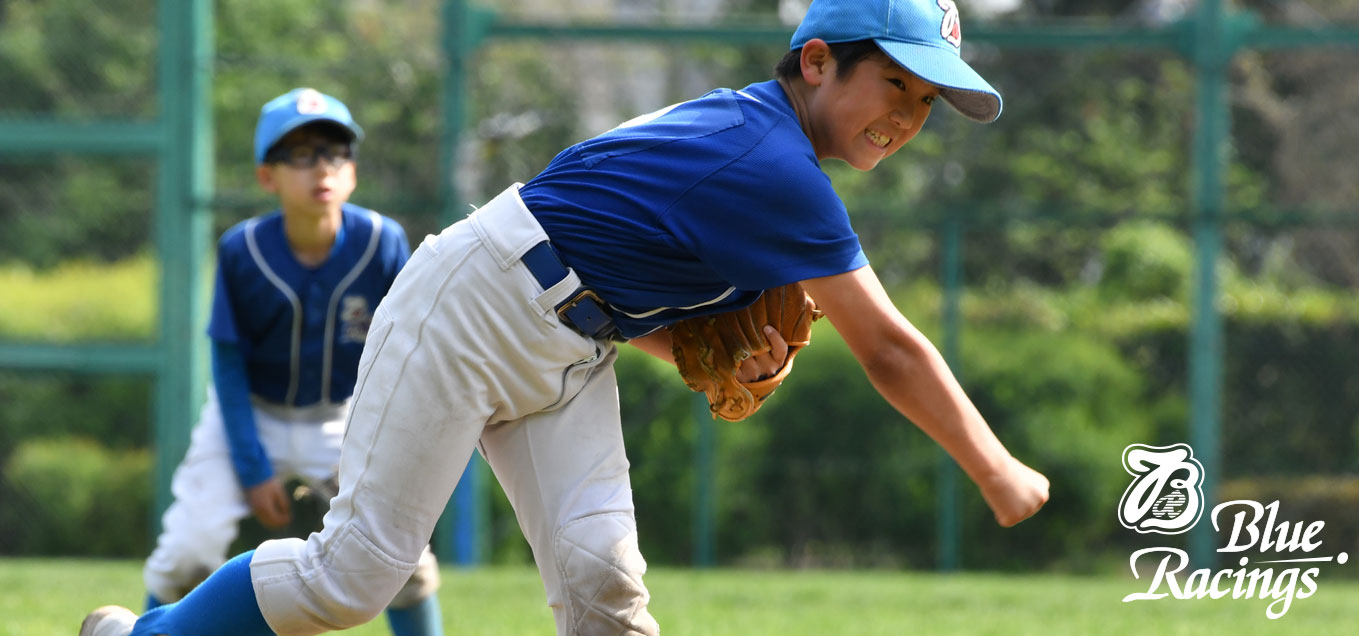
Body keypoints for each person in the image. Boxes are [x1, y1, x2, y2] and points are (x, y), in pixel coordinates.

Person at [81, 1, 1049, 634]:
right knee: (355, 575)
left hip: (567, 336)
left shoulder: (752, 135)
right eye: (894, 84)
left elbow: (611, 276)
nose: (908, 115)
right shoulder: (774, 166)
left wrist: (700, 353)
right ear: (815, 62)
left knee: (602, 588)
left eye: (926, 101)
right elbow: (887, 347)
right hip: (473, 305)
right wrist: (993, 469)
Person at [127, 88, 443, 636]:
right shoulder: (241, 249)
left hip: (346, 416)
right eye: (298, 154)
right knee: (186, 551)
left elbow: (406, 353)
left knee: (403, 555)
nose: (319, 167)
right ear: (266, 176)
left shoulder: (382, 241)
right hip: (250, 414)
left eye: (333, 151)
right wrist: (251, 468)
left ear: (352, 172)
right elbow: (227, 366)